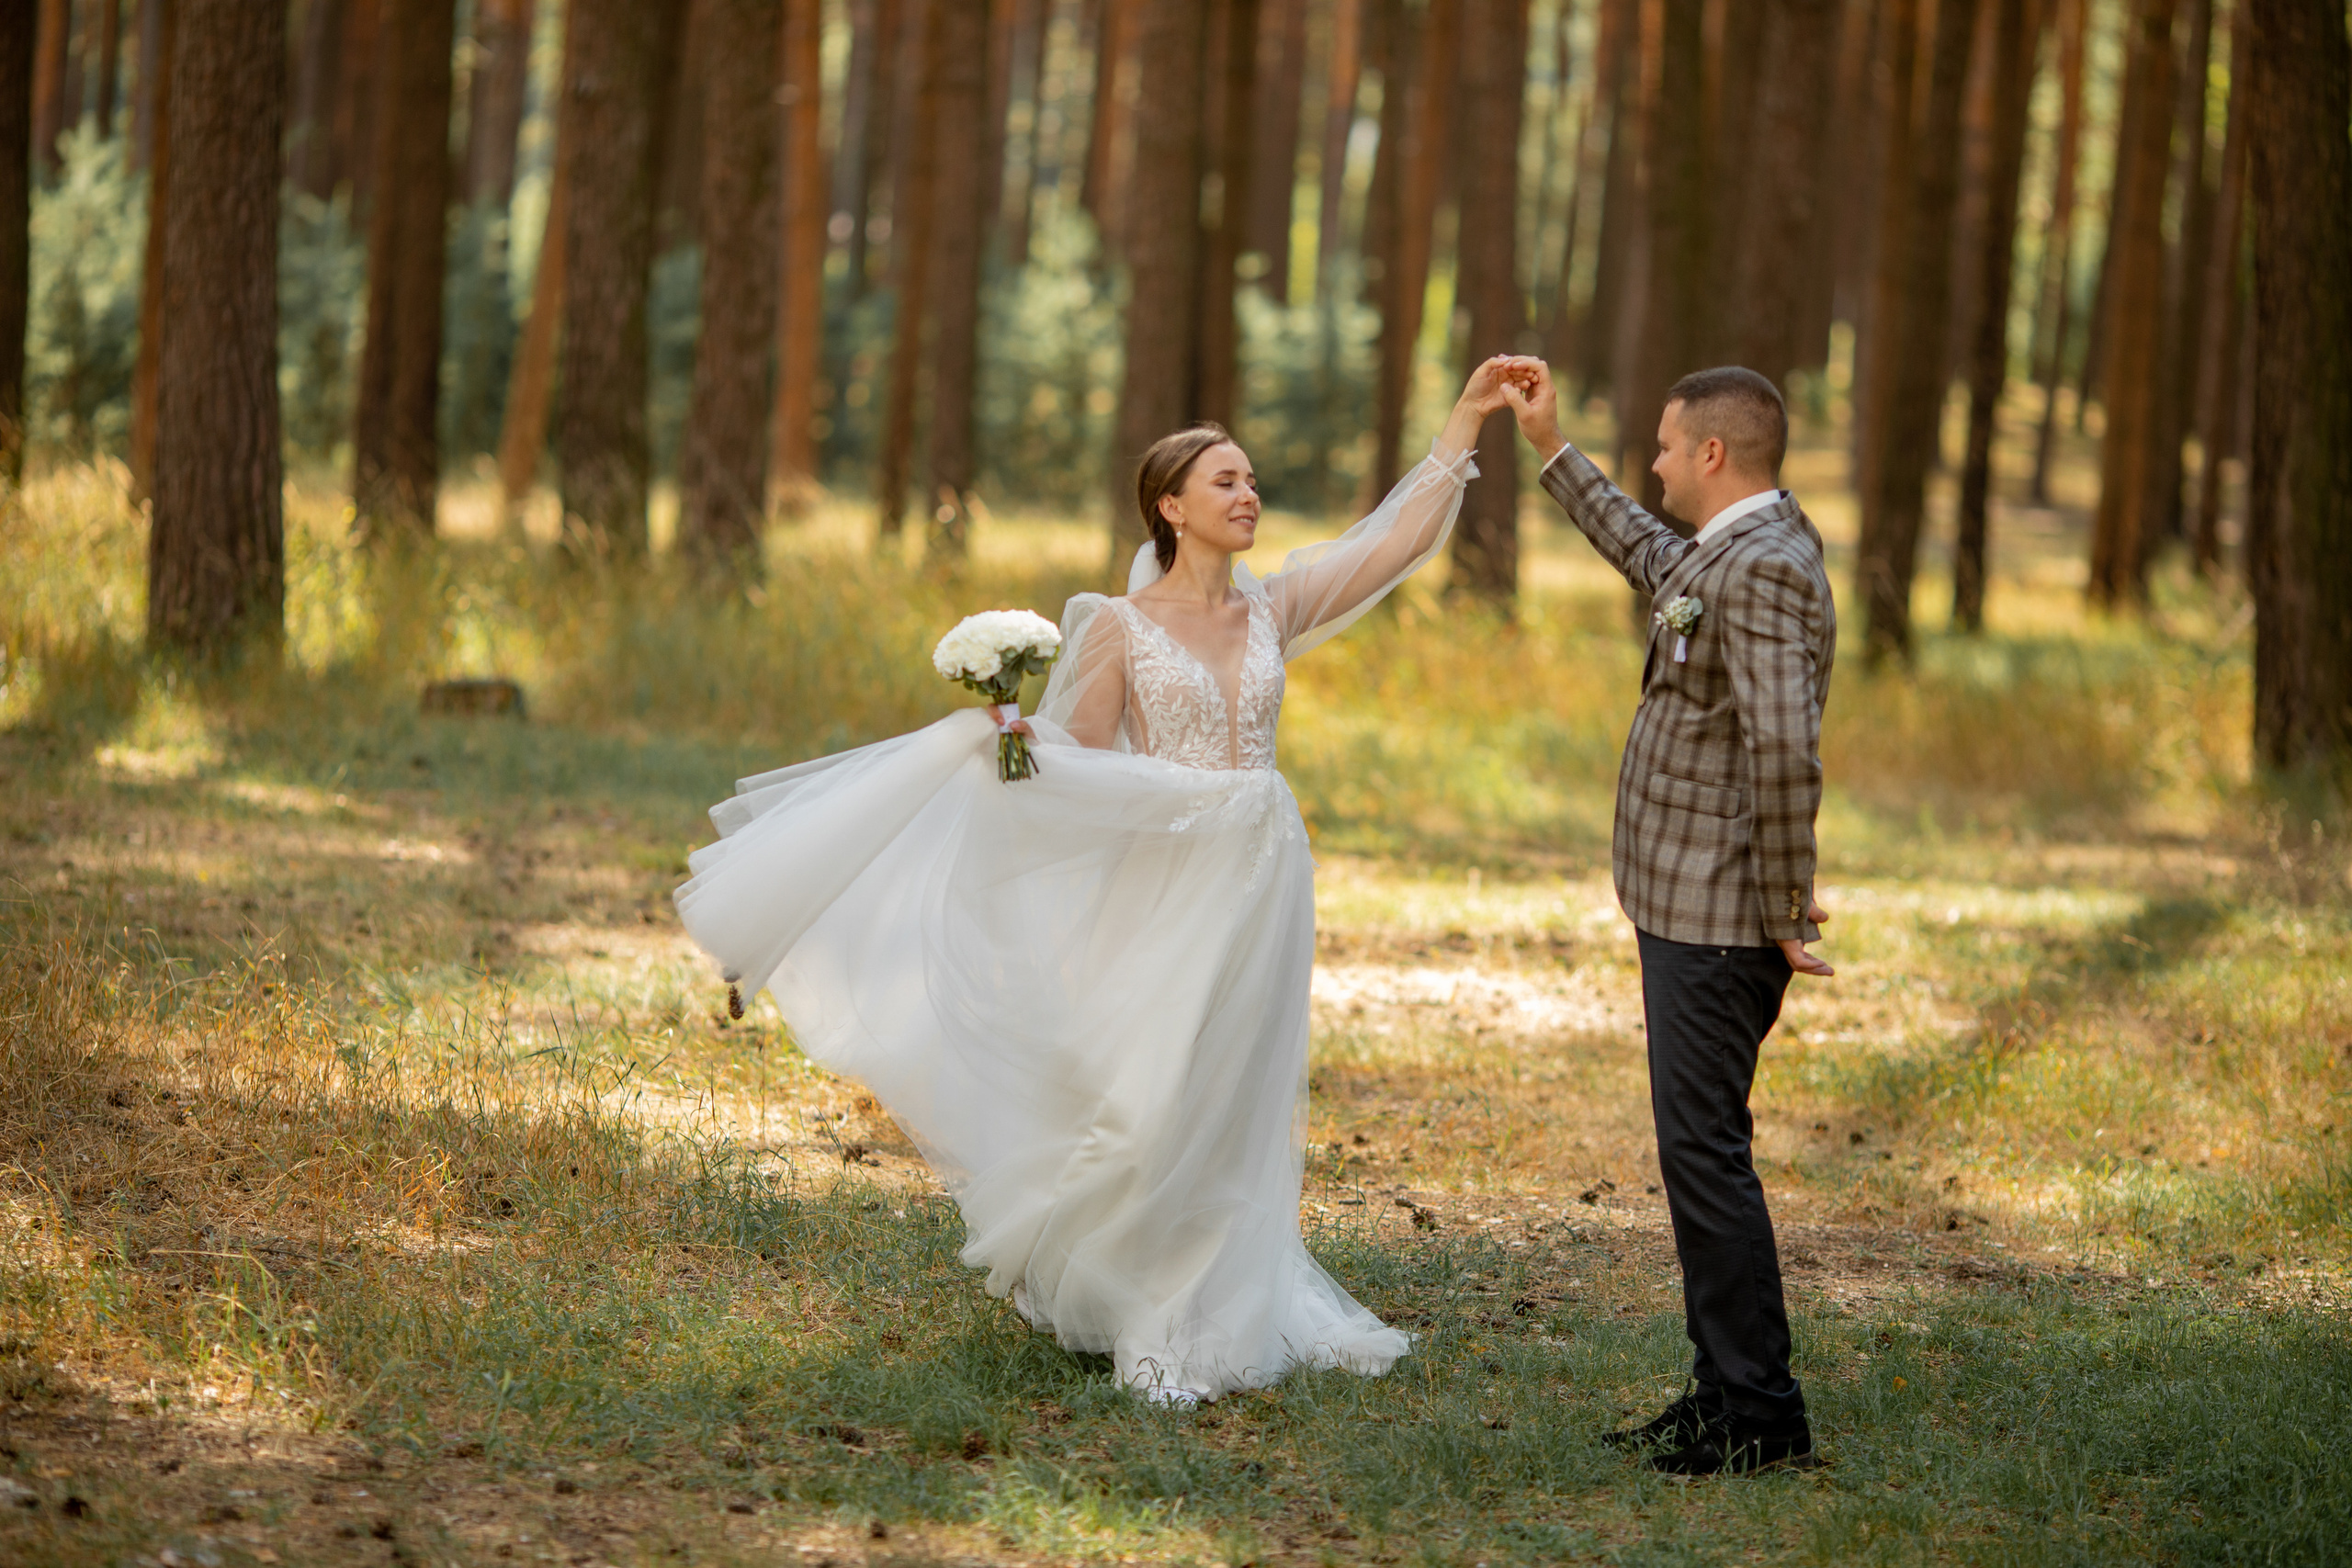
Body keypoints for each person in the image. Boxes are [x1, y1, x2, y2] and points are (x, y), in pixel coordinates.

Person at [674, 361, 1521, 1405]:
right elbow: (1081, 764)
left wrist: (1468, 419)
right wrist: (1012, 750)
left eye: (1251, 479)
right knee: (1141, 1097)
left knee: (1230, 1096)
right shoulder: (1116, 625)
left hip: (1260, 877)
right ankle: (1112, 1285)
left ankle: (1213, 1295)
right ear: (1170, 508)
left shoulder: (1274, 609)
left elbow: (1393, 542)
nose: (1247, 494)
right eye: (1224, 482)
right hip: (1162, 880)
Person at [1499, 357, 1836, 1475]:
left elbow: (1784, 749)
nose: (1648, 461)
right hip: (1682, 904)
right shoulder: (1728, 546)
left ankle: (1760, 1419)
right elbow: (1650, 556)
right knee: (1698, 1154)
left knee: (1704, 1159)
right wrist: (1552, 447)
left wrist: (1786, 901)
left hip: (1720, 920)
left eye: (1658, 444)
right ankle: (1719, 1393)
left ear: (1710, 453)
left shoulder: (1769, 565)